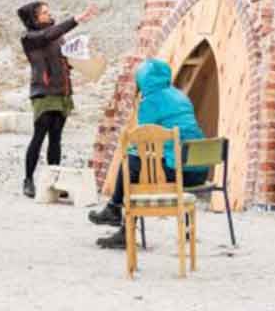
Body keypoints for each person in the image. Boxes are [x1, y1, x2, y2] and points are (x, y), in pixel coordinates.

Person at [88, 58, 209, 249]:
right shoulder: (181, 96)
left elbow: (144, 140)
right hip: (199, 171)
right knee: (138, 165)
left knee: (131, 164)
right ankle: (115, 213)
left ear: (143, 80)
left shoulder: (150, 102)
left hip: (178, 171)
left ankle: (117, 216)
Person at [17, 0, 98, 198]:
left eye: (47, 11)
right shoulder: (30, 37)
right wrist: (76, 19)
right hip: (43, 93)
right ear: (34, 18)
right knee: (39, 135)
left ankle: (53, 181)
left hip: (62, 91)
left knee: (56, 138)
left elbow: (64, 58)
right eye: (43, 13)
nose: (48, 14)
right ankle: (28, 180)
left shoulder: (57, 36)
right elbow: (47, 35)